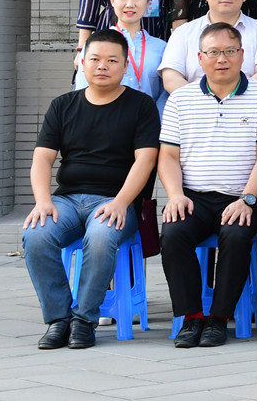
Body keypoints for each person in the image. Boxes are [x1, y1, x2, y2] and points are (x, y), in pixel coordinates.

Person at [23, 30, 160, 350]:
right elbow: (42, 158)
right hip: (67, 200)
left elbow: (146, 160)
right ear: (82, 63)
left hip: (116, 201)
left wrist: (121, 202)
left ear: (125, 66)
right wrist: (43, 201)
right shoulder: (62, 105)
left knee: (100, 236)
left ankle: (84, 320)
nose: (102, 66)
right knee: (36, 234)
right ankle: (59, 320)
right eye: (95, 59)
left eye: (112, 60)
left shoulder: (141, 105)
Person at [158, 22, 257, 348]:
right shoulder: (180, 99)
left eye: (229, 51)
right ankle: (191, 317)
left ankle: (218, 318)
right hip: (193, 196)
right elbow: (167, 156)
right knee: (173, 232)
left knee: (236, 234)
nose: (221, 59)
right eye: (213, 52)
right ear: (200, 58)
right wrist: (175, 195)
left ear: (242, 55)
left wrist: (248, 198)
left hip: (244, 195)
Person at [73, 0, 170, 109]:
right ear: (112, 0)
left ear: (149, 1)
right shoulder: (94, 45)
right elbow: (82, 92)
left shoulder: (162, 48)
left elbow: (165, 95)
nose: (130, 4)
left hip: (149, 121)